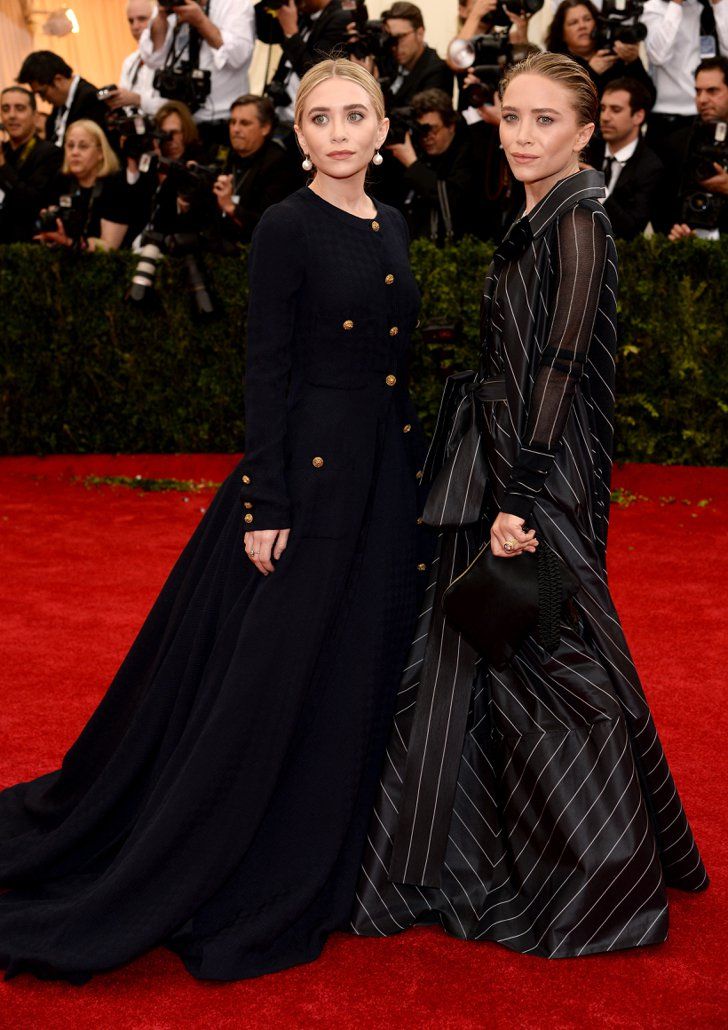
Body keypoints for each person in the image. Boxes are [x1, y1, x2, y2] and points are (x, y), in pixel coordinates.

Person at [0, 58, 429, 984]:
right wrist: (266, 502)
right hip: (310, 488)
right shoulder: (286, 226)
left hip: (384, 486)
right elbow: (265, 369)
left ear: (383, 122)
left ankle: (330, 856)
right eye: (321, 118)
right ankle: (230, 860)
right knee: (270, 679)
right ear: (300, 134)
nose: (341, 132)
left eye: (358, 115)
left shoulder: (393, 221)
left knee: (353, 672)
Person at [352, 51, 708, 956]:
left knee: (547, 656)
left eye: (544, 120)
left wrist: (521, 493)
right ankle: (484, 851)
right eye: (511, 117)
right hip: (507, 462)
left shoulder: (579, 225)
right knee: (496, 649)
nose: (521, 135)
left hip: (536, 478)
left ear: (589, 131)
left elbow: (563, 365)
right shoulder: (540, 217)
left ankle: (596, 881)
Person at [139, 0, 256, 151]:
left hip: (220, 125)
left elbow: (237, 56)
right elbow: (152, 58)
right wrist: (162, 14)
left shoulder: (234, 4)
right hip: (180, 124)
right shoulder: (173, 3)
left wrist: (200, 21)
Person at [388, 87, 476, 242]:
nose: (427, 137)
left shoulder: (470, 153)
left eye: (433, 129)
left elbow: (452, 201)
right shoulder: (417, 148)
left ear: (451, 126)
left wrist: (412, 163)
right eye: (421, 130)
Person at [642, 0, 728, 157]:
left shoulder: (713, 6)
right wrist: (676, 4)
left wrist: (719, 5)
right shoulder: (655, 7)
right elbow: (657, 55)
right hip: (667, 119)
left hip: (710, 115)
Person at [656, 57, 728, 239]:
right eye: (698, 91)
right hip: (685, 249)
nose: (702, 99)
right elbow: (660, 202)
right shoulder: (676, 142)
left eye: (712, 91)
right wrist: (675, 233)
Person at [34, 120, 133, 251]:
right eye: (70, 146)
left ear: (100, 153)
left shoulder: (116, 185)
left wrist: (72, 243)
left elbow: (109, 247)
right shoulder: (61, 180)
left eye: (83, 146)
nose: (74, 152)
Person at [214, 94, 299, 243]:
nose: (235, 129)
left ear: (265, 127)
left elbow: (270, 225)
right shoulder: (225, 155)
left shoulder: (279, 164)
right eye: (232, 122)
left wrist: (231, 207)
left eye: (244, 123)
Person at [594, 77, 664, 239]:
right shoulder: (587, 151)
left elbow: (631, 230)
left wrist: (596, 187)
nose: (605, 117)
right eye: (603, 108)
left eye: (616, 110)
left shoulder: (650, 167)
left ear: (638, 116)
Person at [547, 0, 655, 101]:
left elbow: (648, 99)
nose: (582, 26)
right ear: (561, 34)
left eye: (587, 19)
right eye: (573, 23)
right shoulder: (556, 63)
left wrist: (634, 62)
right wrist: (591, 71)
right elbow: (563, 101)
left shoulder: (611, 56)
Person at [265, 0, 352, 126]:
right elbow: (264, 31)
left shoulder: (340, 18)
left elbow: (316, 73)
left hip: (308, 120)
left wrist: (291, 32)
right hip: (280, 111)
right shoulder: (303, 14)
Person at [0, 86, 62, 243]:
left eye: (20, 109)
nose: (11, 116)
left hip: (28, 246)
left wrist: (2, 166)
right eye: (5, 109)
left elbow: (32, 203)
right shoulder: (4, 150)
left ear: (35, 116)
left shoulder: (49, 153)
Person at [17, 51, 107, 149]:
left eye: (42, 93)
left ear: (58, 80)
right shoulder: (60, 105)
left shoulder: (90, 99)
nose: (43, 100)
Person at [382, 3, 454, 109]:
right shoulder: (387, 62)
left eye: (401, 37)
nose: (394, 45)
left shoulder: (437, 70)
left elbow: (419, 118)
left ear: (420, 33)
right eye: (391, 38)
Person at [103, 0, 164, 118]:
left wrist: (138, 100)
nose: (135, 26)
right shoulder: (130, 62)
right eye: (131, 21)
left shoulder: (172, 58)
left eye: (142, 19)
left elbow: (178, 107)